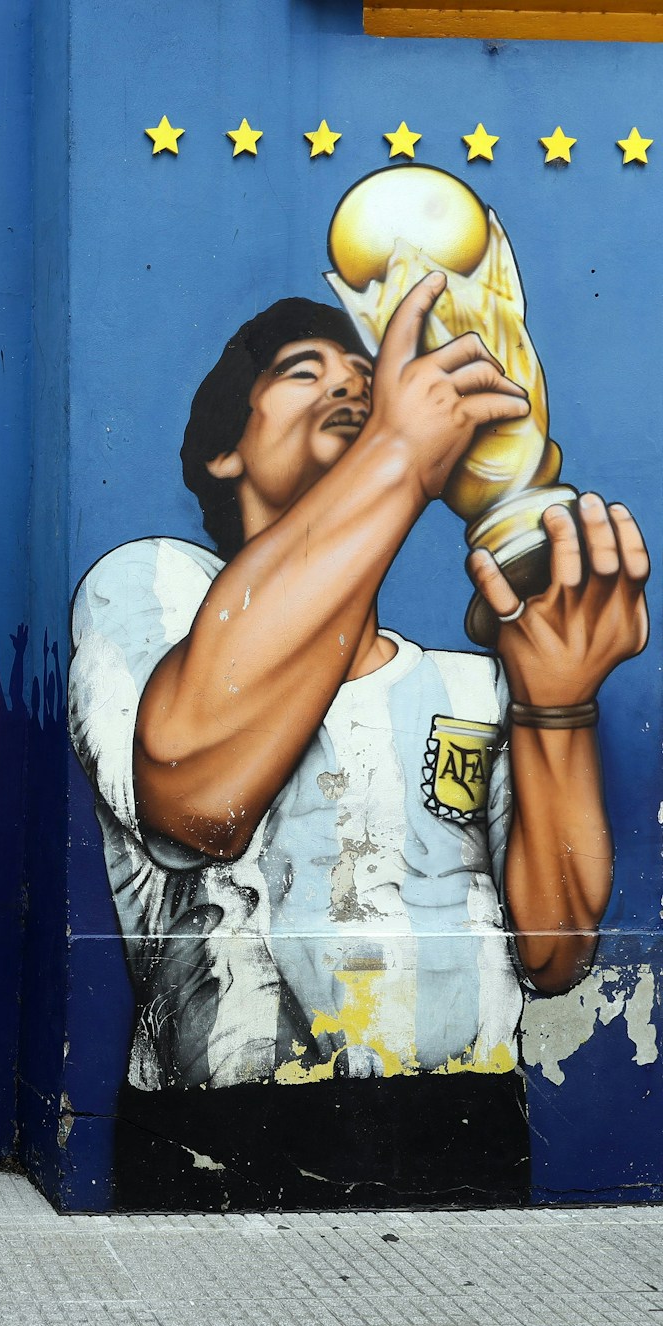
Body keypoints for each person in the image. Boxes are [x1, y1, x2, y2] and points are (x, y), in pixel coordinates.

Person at [66, 281, 649, 1209]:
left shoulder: (467, 684)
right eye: (307, 370)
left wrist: (558, 707)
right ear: (225, 449)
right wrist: (395, 458)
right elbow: (198, 801)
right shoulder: (150, 593)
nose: (352, 385)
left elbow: (556, 950)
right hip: (223, 1138)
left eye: (368, 378)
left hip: (467, 1127)